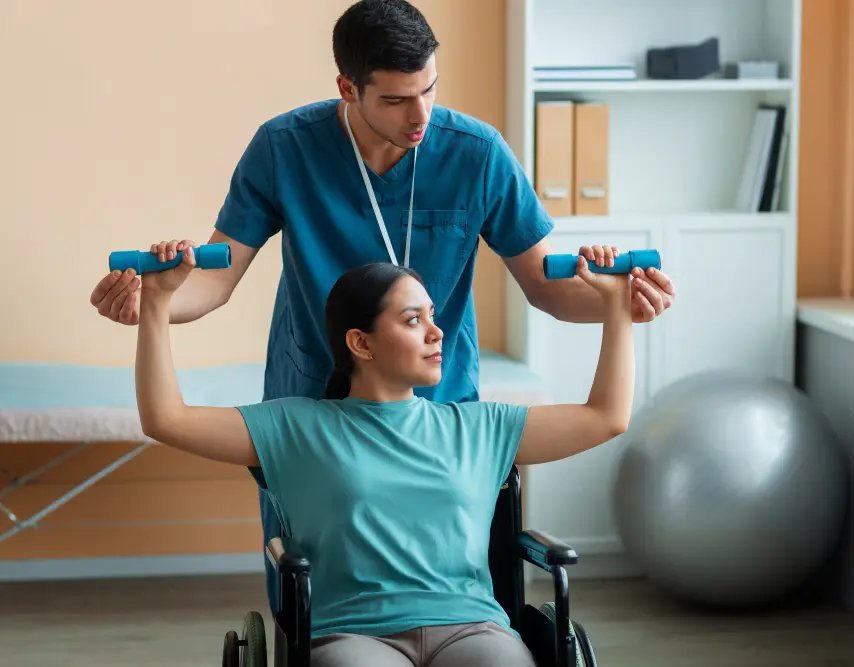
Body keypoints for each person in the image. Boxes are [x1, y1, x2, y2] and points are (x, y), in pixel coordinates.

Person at [89, 0, 675, 613]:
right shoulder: (285, 147)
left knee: (452, 575)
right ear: (348, 88)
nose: (421, 115)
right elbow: (216, 278)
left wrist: (620, 307)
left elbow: (548, 286)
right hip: (316, 407)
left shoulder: (475, 153)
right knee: (314, 584)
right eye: (396, 100)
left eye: (429, 90)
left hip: (436, 409)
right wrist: (154, 304)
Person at [134, 249, 635, 667]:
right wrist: (156, 303)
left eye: (433, 317)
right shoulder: (294, 427)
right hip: (351, 636)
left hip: (472, 627)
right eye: (413, 320)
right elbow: (166, 419)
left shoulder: (481, 426)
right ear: (361, 343)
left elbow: (606, 416)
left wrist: (617, 307)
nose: (436, 332)